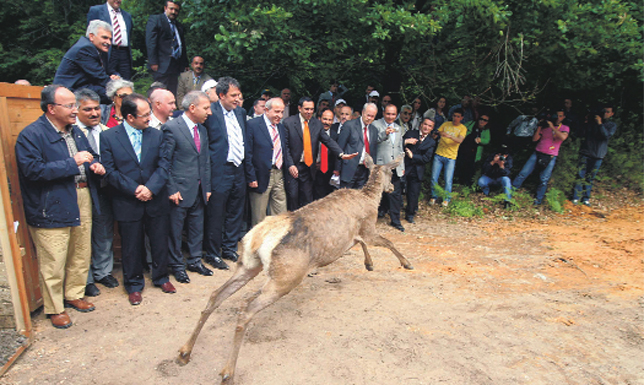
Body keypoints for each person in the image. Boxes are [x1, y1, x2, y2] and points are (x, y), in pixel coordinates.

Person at [15, 85, 106, 328]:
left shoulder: (76, 132)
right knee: (53, 259)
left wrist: (94, 165)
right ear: (51, 108)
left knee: (80, 250)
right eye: (69, 106)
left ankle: (74, 295)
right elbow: (32, 171)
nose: (75, 110)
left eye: (75, 105)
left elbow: (89, 156)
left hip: (82, 196)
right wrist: (72, 162)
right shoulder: (31, 135)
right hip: (51, 203)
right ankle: (55, 308)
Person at [100, 93, 176, 305]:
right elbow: (110, 171)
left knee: (160, 241)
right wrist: (135, 189)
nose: (149, 118)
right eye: (144, 115)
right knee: (131, 245)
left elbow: (164, 165)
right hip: (127, 201)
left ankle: (161, 277)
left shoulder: (157, 135)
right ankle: (133, 285)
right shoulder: (108, 137)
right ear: (130, 117)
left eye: (149, 113)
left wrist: (150, 189)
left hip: (155, 198)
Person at [163, 91, 213, 283]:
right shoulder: (171, 128)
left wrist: (207, 186)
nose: (209, 112)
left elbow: (205, 160)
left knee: (196, 228)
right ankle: (177, 266)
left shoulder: (202, 130)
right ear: (192, 108)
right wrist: (171, 188)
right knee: (175, 232)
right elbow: (165, 163)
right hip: (179, 191)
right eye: (206, 108)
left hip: (199, 190)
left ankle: (194, 261)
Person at [73, 89, 118, 297]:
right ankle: (87, 279)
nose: (94, 113)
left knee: (104, 231)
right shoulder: (71, 132)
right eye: (87, 109)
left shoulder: (105, 131)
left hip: (104, 189)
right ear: (77, 110)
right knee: (82, 236)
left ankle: (103, 271)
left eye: (97, 108)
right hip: (79, 191)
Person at [203, 77, 247, 270]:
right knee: (216, 213)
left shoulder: (241, 113)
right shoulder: (211, 113)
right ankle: (213, 253)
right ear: (221, 96)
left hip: (239, 168)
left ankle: (229, 247)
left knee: (235, 210)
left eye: (238, 95)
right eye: (233, 95)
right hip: (220, 170)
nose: (238, 99)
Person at [282, 97, 353, 210]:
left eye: (312, 109)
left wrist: (341, 154)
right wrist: (290, 164)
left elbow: (327, 140)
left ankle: (306, 224)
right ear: (299, 108)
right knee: (293, 197)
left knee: (307, 199)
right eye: (306, 109)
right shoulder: (288, 123)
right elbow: (285, 147)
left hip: (308, 168)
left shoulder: (316, 124)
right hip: (293, 167)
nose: (309, 112)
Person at [246, 98, 292, 226]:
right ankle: (257, 245)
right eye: (277, 111)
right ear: (266, 110)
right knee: (259, 216)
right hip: (260, 176)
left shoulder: (281, 128)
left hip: (279, 174)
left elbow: (284, 149)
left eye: (282, 112)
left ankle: (276, 243)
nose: (280, 115)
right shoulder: (253, 125)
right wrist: (251, 177)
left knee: (281, 215)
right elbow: (248, 153)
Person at [53, 20, 120, 104]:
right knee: (114, 94)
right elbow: (99, 76)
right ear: (91, 36)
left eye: (110, 39)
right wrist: (119, 87)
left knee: (113, 93)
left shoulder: (100, 50)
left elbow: (109, 71)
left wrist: (115, 77)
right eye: (104, 38)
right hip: (68, 90)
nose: (109, 42)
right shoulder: (84, 49)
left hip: (84, 86)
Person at [512, 109, 570, 205]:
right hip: (538, 153)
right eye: (556, 115)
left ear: (563, 117)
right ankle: (510, 193)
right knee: (523, 173)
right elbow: (535, 139)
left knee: (544, 179)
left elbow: (563, 137)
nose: (557, 118)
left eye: (560, 116)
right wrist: (540, 126)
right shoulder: (545, 127)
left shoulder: (564, 128)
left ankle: (538, 201)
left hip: (551, 156)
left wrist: (553, 128)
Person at [572, 104, 617, 206]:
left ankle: (586, 199)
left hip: (598, 155)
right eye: (604, 111)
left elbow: (605, 136)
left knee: (589, 177)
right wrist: (586, 122)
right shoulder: (591, 123)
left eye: (607, 111)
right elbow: (580, 134)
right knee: (580, 175)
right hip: (586, 152)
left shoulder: (611, 125)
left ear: (612, 114)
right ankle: (575, 198)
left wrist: (600, 124)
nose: (605, 113)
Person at [145, 1, 189, 96]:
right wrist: (153, 61)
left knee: (173, 89)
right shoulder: (156, 20)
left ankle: (170, 109)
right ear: (165, 8)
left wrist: (185, 63)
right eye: (171, 9)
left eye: (176, 10)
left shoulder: (178, 25)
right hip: (161, 63)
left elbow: (182, 45)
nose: (173, 12)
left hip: (175, 63)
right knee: (160, 90)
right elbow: (151, 42)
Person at [373, 104, 406, 232]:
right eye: (388, 114)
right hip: (381, 165)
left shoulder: (398, 128)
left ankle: (395, 220)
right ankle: (373, 218)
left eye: (393, 114)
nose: (390, 117)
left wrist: (401, 165)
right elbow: (373, 141)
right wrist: (384, 134)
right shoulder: (376, 125)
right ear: (383, 113)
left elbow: (399, 148)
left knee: (396, 194)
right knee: (377, 192)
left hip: (395, 167)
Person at [336, 103, 381, 189]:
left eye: (372, 116)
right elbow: (339, 147)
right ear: (363, 112)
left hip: (364, 170)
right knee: (345, 198)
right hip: (349, 168)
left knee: (360, 198)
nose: (369, 118)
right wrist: (337, 169)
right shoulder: (349, 125)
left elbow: (373, 151)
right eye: (368, 115)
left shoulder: (374, 130)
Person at [87, 0, 133, 80]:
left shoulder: (127, 15)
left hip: (124, 53)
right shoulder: (96, 11)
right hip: (107, 52)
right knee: (107, 81)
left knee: (126, 81)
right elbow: (91, 34)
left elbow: (130, 34)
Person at [403, 117, 438, 223]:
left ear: (432, 128)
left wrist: (413, 156)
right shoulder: (410, 133)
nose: (426, 127)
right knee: (398, 189)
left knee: (413, 193)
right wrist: (406, 142)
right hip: (405, 167)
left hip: (417, 170)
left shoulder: (431, 142)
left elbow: (426, 158)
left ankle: (410, 214)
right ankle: (390, 211)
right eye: (425, 124)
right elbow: (399, 145)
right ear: (421, 124)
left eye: (429, 126)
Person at [430, 109, 467, 206]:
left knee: (448, 179)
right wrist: (439, 134)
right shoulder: (446, 124)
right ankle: (434, 196)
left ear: (461, 118)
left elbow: (460, 140)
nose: (455, 118)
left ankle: (446, 198)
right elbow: (437, 132)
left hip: (451, 157)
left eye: (458, 116)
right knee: (434, 177)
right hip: (439, 154)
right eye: (454, 116)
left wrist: (449, 136)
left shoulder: (463, 128)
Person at [455, 113, 491, 185]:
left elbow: (487, 140)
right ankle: (457, 180)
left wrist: (481, 140)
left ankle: (467, 183)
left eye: (485, 120)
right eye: (481, 119)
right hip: (464, 148)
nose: (482, 121)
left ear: (487, 122)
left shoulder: (486, 130)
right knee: (460, 164)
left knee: (470, 167)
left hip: (475, 152)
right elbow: (461, 130)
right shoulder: (471, 124)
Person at [313, 109, 339, 199]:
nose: (327, 122)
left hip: (328, 173)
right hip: (311, 171)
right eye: (324, 119)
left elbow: (336, 156)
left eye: (330, 120)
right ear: (319, 118)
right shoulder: (311, 132)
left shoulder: (335, 136)